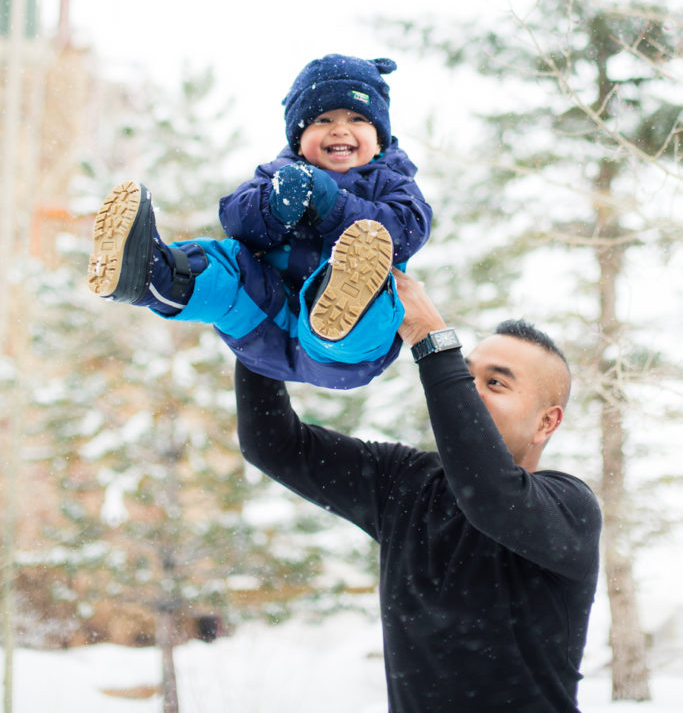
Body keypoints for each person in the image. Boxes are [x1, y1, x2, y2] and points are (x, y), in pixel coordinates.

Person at [236, 267, 602, 713]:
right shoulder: (403, 483)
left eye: (497, 383)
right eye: (467, 378)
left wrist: (431, 339)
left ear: (547, 422)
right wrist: (254, 324)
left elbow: (488, 497)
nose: (470, 392)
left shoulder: (570, 507)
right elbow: (274, 444)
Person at [87, 54, 432, 389]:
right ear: (298, 137)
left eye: (357, 119)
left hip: (344, 354)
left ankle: (341, 304)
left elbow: (408, 228)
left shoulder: (390, 181)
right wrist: (274, 206)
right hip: (265, 318)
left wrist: (332, 205)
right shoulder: (278, 175)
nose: (339, 130)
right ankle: (151, 274)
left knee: (370, 301)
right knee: (228, 263)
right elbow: (234, 218)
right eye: (323, 120)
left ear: (380, 135)